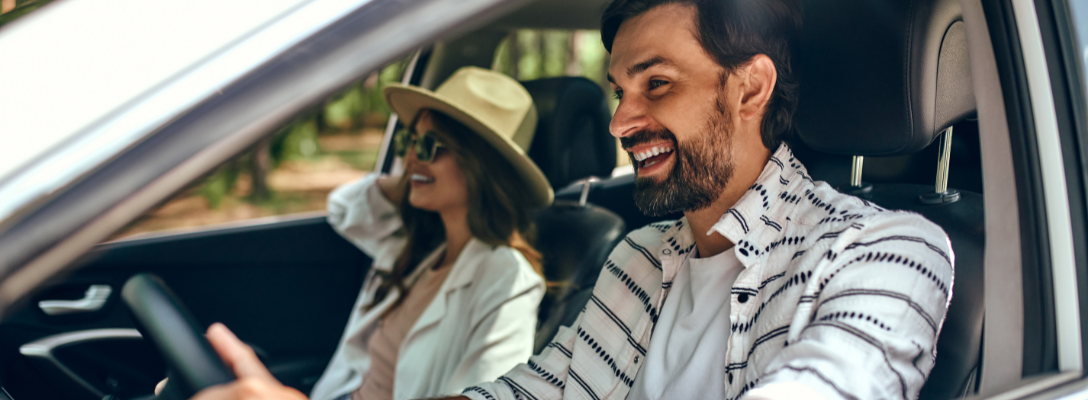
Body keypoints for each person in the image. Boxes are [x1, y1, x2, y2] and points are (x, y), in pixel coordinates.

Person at [186, 0, 954, 399]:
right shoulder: (643, 257)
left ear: (749, 86)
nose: (621, 120)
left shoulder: (888, 251)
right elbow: (531, 395)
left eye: (656, 85)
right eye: (619, 90)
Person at [179, 66, 552, 400]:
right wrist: (417, 175)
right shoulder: (416, 246)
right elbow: (343, 207)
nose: (409, 157)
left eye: (428, 146)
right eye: (409, 142)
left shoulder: (508, 280)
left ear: (481, 165)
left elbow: (489, 396)